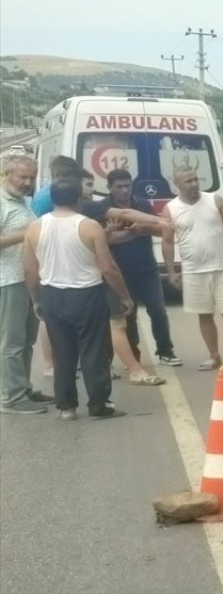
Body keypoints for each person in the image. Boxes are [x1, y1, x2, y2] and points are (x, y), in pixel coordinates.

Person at [21, 177, 132, 421]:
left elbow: (30, 269)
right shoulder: (90, 227)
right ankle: (99, 404)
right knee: (94, 351)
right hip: (87, 295)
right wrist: (124, 296)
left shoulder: (35, 228)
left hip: (52, 295)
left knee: (63, 353)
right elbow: (108, 267)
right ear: (78, 199)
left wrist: (36, 299)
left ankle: (66, 407)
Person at [82, 169, 183, 367]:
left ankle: (165, 351)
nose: (124, 191)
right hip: (120, 272)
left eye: (127, 186)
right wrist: (130, 234)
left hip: (147, 269)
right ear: (109, 188)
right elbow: (101, 240)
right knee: (129, 315)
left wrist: (142, 228)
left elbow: (161, 231)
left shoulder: (143, 204)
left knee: (158, 311)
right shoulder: (102, 208)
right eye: (119, 187)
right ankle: (133, 355)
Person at [162, 165, 223, 371]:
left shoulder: (215, 200)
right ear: (176, 184)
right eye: (187, 181)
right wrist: (172, 271)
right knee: (204, 315)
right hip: (192, 271)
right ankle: (214, 356)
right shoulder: (170, 209)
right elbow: (167, 242)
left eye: (195, 179)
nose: (193, 184)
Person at [1, 156, 54, 414]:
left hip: (27, 279)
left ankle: (24, 388)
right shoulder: (1, 202)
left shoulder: (22, 202)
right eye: (22, 177)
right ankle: (11, 397)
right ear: (5, 174)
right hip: (7, 281)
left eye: (31, 177)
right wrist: (28, 233)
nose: (27, 182)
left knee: (26, 339)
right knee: (11, 343)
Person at [32, 155, 85, 377]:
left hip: (62, 255)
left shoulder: (55, 192)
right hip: (49, 257)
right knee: (49, 319)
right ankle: (49, 364)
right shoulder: (46, 197)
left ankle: (62, 361)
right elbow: (37, 227)